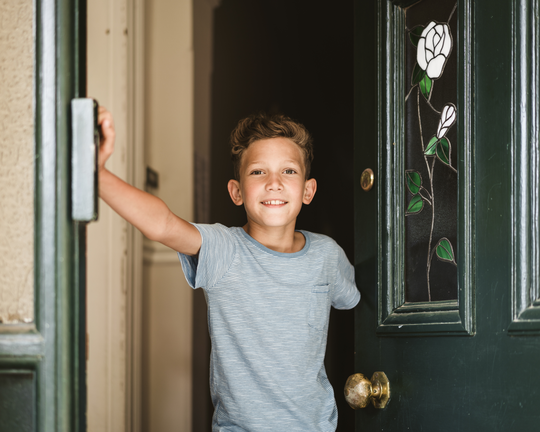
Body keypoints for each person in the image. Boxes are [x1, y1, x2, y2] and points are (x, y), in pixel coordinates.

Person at [97, 107, 360, 431]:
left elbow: (357, 301)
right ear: (237, 192)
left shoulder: (327, 255)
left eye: (289, 171)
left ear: (308, 190)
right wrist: (97, 174)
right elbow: (162, 225)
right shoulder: (225, 249)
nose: (274, 183)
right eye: (258, 172)